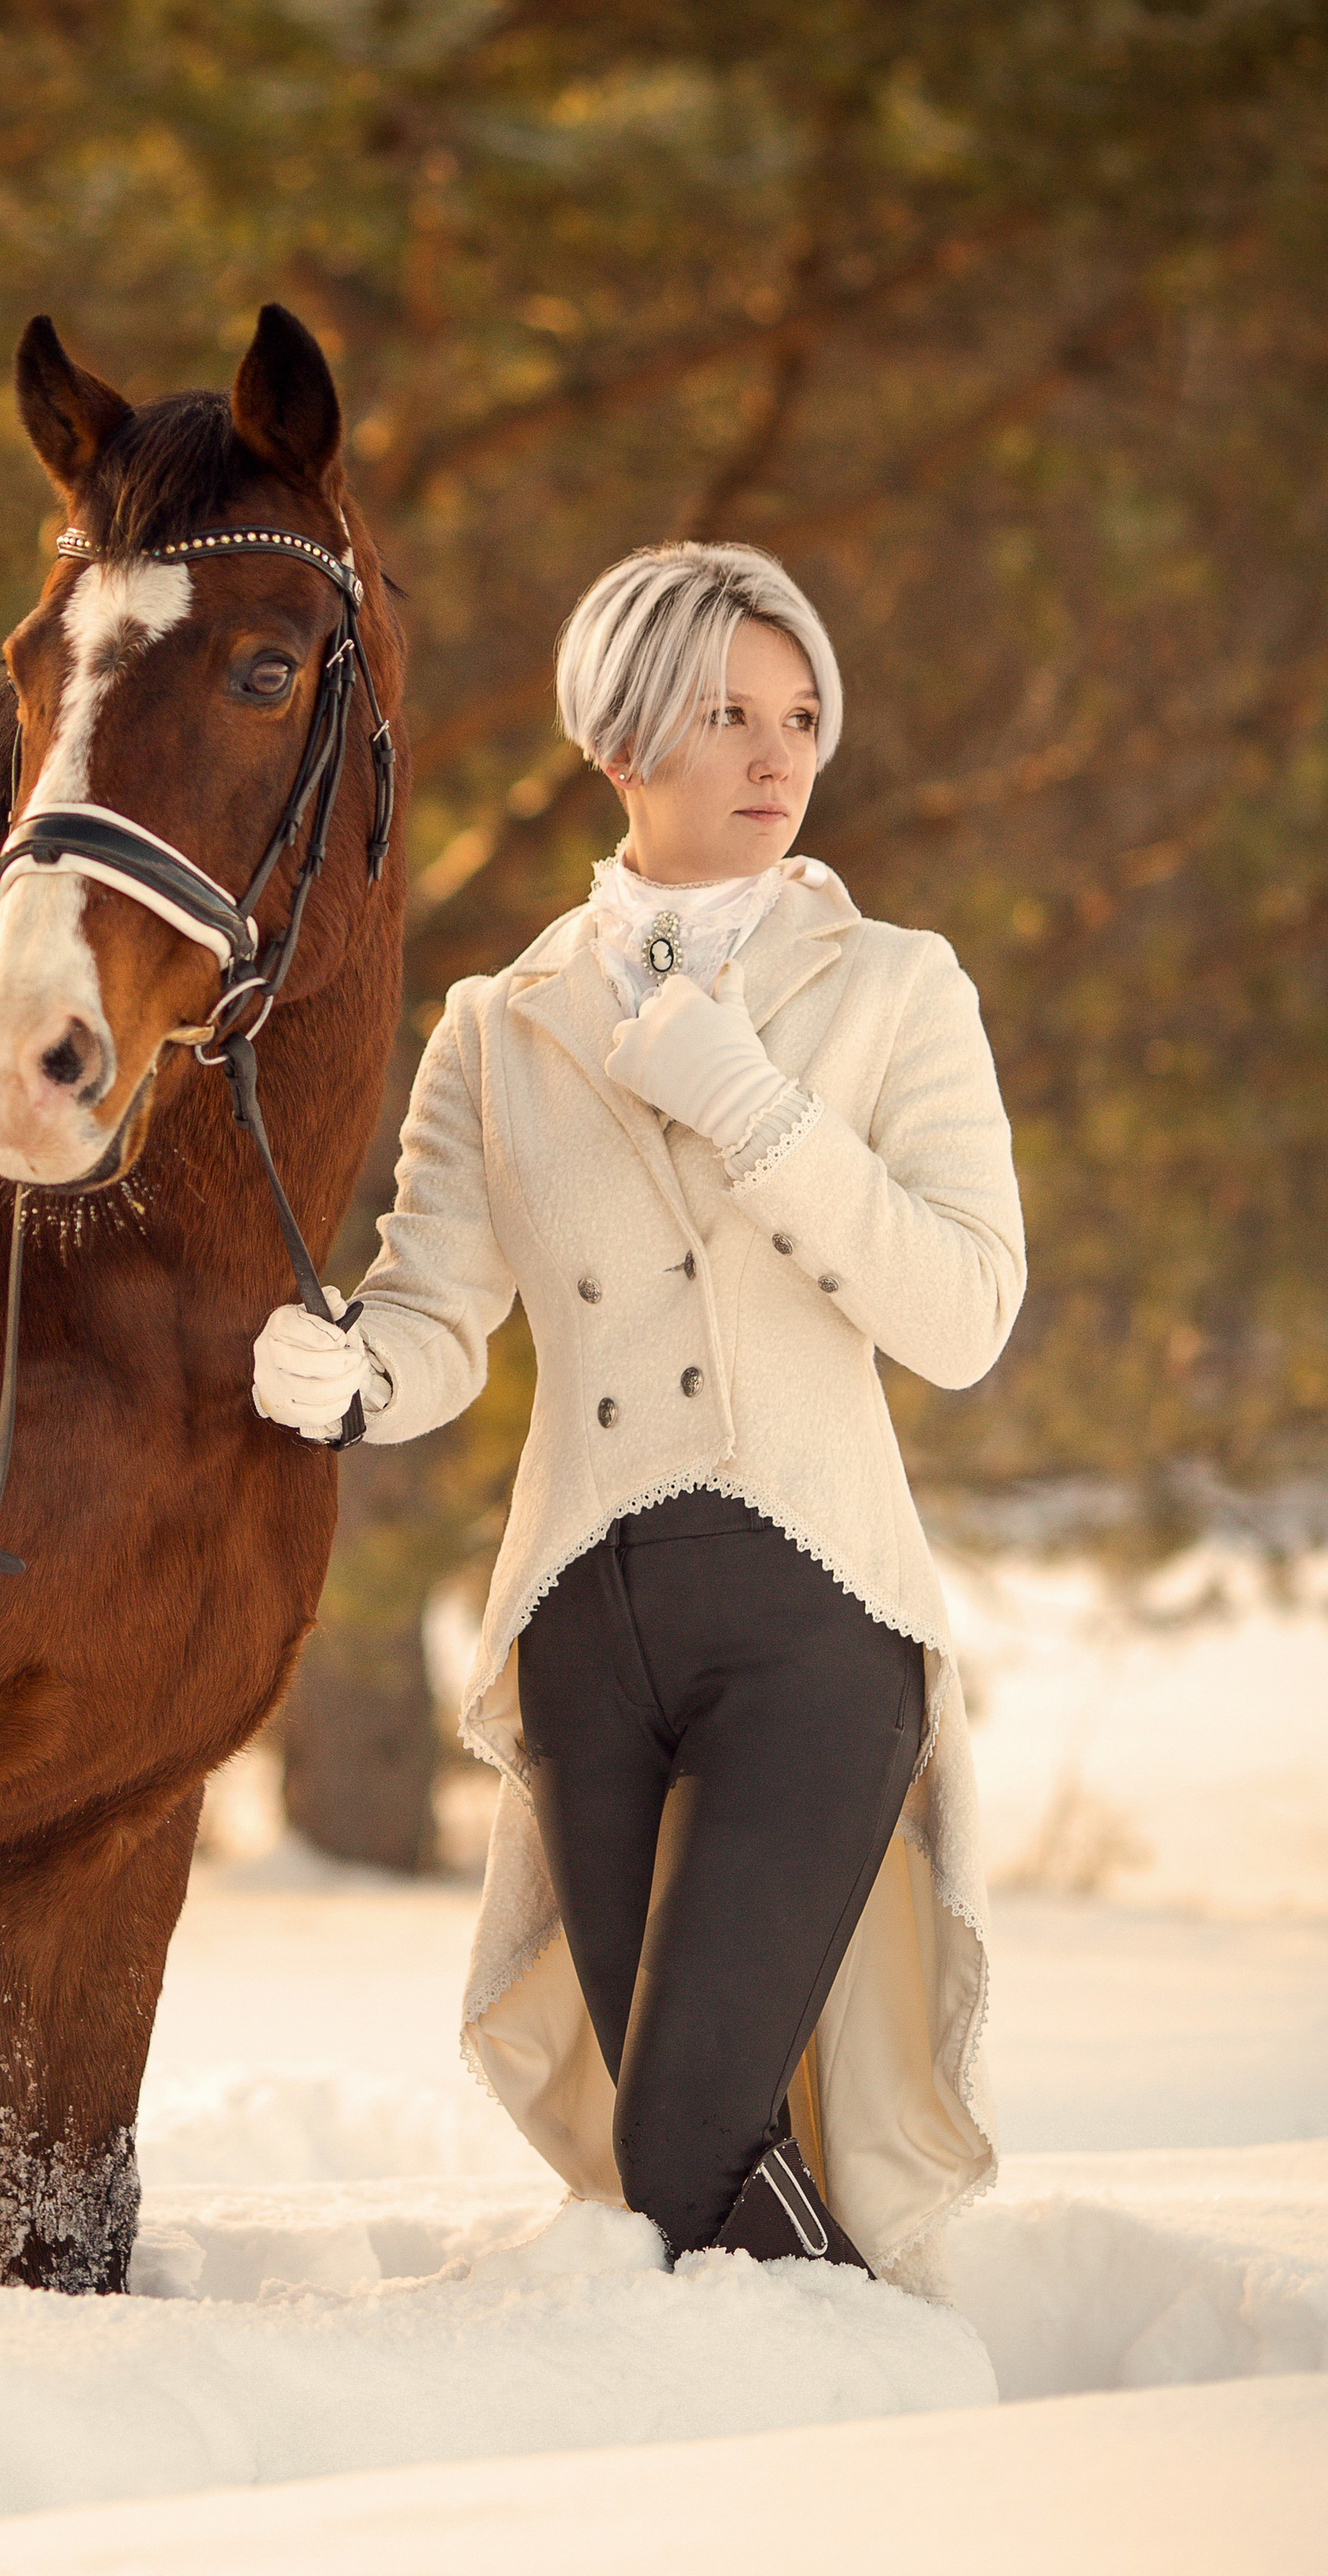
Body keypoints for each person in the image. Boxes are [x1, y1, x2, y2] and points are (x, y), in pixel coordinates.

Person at [251, 541, 1023, 2289]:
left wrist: (745, 1103)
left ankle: (895, 2436)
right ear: (618, 741)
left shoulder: (897, 988)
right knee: (670, 2165)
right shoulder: (499, 1021)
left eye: (799, 715)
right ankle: (805, 2469)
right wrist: (357, 1374)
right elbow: (438, 1304)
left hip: (812, 1618)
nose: (775, 755)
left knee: (679, 2136)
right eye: (724, 713)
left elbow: (962, 1315)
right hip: (580, 1639)